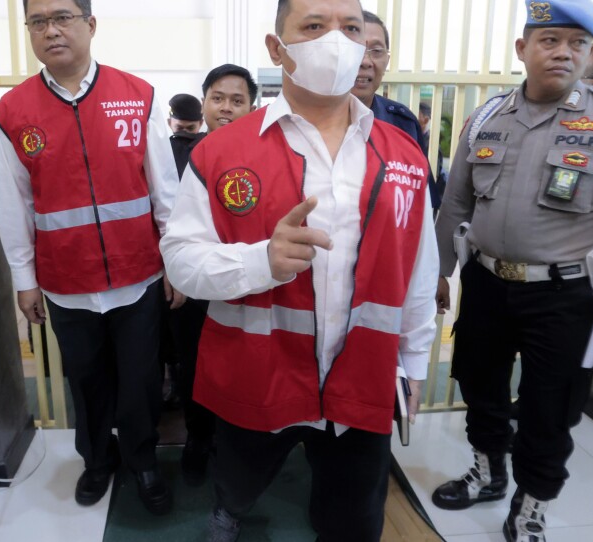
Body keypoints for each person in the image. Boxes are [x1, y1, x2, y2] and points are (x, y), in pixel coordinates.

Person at [160, 1, 438, 540]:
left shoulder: (403, 155)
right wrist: (258, 261)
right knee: (238, 480)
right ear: (276, 47)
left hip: (363, 377)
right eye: (314, 26)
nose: (335, 40)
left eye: (350, 28)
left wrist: (415, 360)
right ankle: (229, 510)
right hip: (258, 371)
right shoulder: (221, 152)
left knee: (353, 516)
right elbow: (180, 262)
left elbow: (420, 271)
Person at [431, 1, 593, 541]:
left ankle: (532, 501)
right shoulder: (486, 118)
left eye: (577, 43)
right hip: (487, 285)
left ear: (589, 52)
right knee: (479, 383)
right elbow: (455, 205)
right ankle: (488, 471)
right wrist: (439, 273)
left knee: (551, 406)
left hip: (566, 295)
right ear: (523, 49)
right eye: (550, 40)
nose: (564, 52)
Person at [0, 0, 179, 516]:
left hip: (138, 275)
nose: (51, 30)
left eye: (63, 18)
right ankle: (98, 460)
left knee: (142, 380)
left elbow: (165, 192)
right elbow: (15, 203)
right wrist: (24, 279)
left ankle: (142, 462)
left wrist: (176, 266)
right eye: (38, 22)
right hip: (64, 282)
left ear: (90, 25)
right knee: (85, 380)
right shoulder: (13, 111)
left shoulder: (136, 96)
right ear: (29, 31)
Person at [165, 63, 258, 486]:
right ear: (203, 104)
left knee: (241, 363)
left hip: (250, 282)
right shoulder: (180, 153)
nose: (226, 108)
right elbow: (166, 219)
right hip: (196, 283)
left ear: (252, 106)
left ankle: (235, 441)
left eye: (237, 100)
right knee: (194, 362)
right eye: (218, 99)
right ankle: (198, 437)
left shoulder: (265, 153)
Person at [350, 11, 442, 211]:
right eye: (355, 49)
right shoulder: (307, 121)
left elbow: (424, 202)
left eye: (376, 51)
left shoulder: (403, 123)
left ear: (387, 60)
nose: (365, 61)